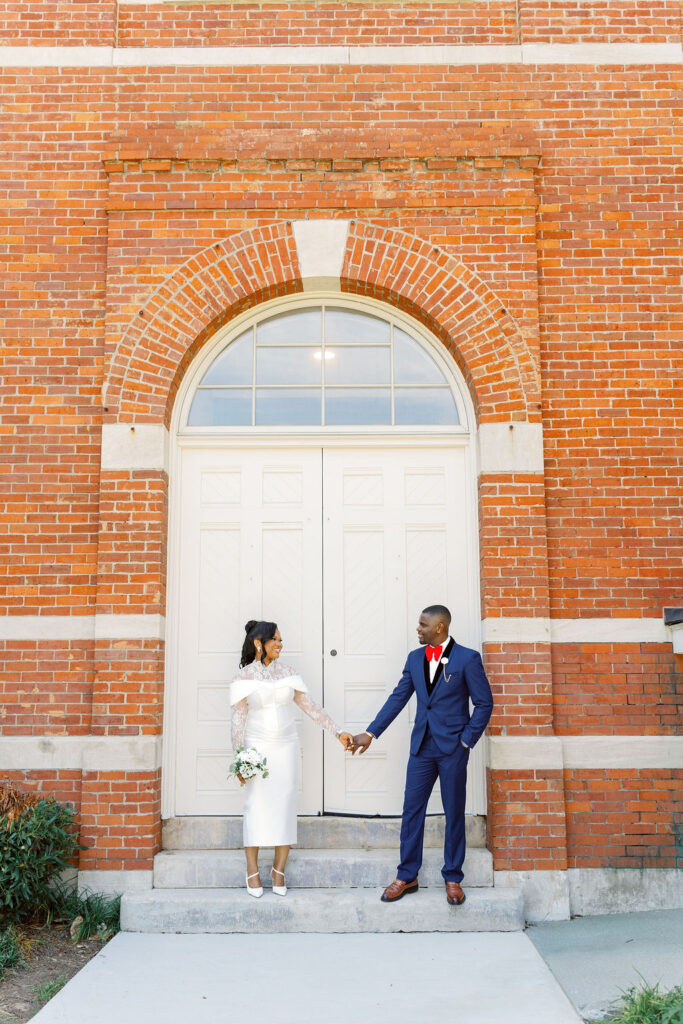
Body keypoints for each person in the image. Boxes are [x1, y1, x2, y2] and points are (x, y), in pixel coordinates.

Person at [351, 604, 493, 905]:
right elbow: (398, 698)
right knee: (411, 810)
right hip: (421, 749)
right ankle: (407, 875)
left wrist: (466, 741)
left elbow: (484, 704)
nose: (418, 628)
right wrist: (371, 733)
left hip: (453, 747)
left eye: (423, 624)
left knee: (454, 812)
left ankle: (453, 876)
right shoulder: (415, 659)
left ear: (439, 627)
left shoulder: (467, 659)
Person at [230, 619, 353, 898]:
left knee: (285, 804)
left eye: (281, 640)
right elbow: (237, 721)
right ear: (258, 643)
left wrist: (337, 732)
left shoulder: (288, 673)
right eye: (275, 639)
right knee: (256, 806)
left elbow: (311, 707)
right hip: (256, 748)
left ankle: (278, 869)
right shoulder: (243, 677)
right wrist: (240, 759)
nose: (280, 645)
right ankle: (251, 871)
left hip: (286, 746)